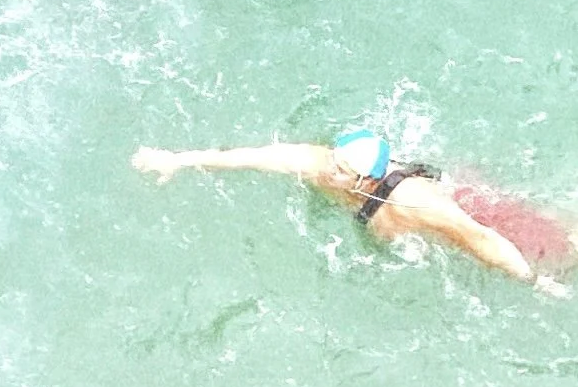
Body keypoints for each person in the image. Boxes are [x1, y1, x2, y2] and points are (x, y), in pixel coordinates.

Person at [130, 129, 570, 283]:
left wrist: (529, 281)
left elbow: (479, 236)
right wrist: (179, 160)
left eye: (341, 170)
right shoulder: (322, 164)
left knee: (553, 244)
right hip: (411, 222)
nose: (329, 172)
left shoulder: (413, 202)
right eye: (333, 160)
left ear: (367, 179)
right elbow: (254, 156)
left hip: (462, 218)